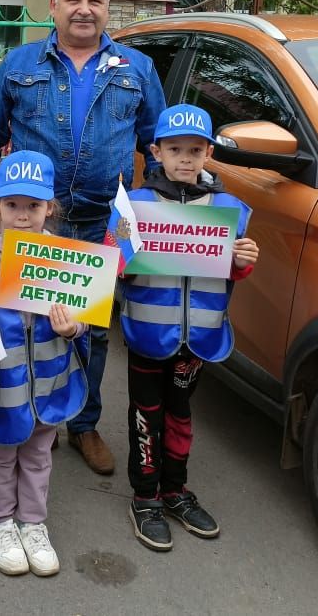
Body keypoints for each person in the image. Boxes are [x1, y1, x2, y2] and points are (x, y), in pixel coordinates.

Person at [0, 0, 167, 476]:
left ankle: (82, 423)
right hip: (36, 222)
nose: (85, 9)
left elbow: (156, 144)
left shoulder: (135, 68)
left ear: (106, 8)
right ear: (53, 6)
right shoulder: (20, 63)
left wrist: (159, 205)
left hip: (101, 223)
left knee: (90, 330)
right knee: (28, 325)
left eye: (95, 0)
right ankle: (37, 415)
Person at [120, 104, 259, 551]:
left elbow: (231, 272)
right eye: (175, 149)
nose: (185, 158)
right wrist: (119, 249)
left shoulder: (230, 209)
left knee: (180, 414)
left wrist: (242, 262)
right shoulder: (135, 205)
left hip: (198, 338)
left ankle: (175, 490)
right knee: (147, 417)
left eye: (195, 150)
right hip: (146, 335)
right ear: (156, 152)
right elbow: (116, 266)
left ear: (208, 153)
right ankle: (145, 497)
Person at [0, 150, 89, 578]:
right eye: (11, 205)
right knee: (1, 452)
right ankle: (0, 523)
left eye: (33, 206)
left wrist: (72, 329)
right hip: (3, 384)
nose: (22, 215)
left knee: (38, 454)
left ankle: (33, 523)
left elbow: (84, 319)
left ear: (49, 208)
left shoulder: (67, 260)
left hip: (50, 381)